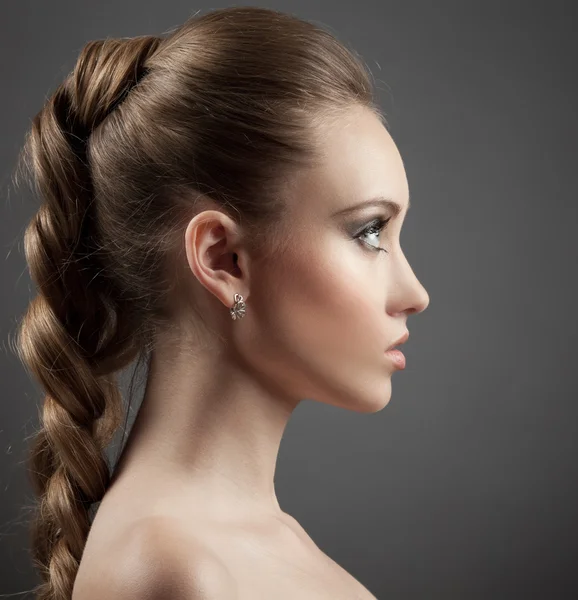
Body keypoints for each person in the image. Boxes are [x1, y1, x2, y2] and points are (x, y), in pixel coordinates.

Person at [13, 6, 429, 599]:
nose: (415, 294)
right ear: (222, 260)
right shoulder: (174, 573)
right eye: (369, 233)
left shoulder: (253, 545)